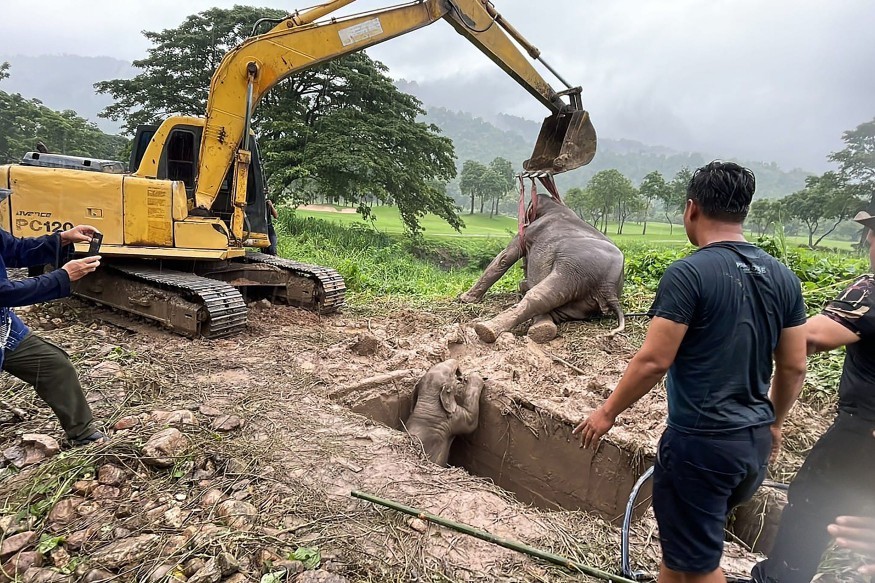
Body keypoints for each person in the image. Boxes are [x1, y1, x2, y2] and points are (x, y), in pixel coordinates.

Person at [573, 161, 808, 583]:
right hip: (750, 445)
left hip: (701, 446)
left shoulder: (689, 274)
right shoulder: (784, 278)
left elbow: (653, 361)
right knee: (682, 555)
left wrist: (606, 412)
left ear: (691, 209)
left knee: (699, 569)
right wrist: (774, 423)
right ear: (744, 212)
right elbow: (794, 364)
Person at [751, 212, 875, 583]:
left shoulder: (869, 291)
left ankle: (780, 577)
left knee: (812, 502)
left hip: (861, 432)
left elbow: (809, 339)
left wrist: (742, 324)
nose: (869, 241)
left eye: (873, 233)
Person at [1, 224, 107, 446]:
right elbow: (4, 293)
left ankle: (83, 434)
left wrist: (61, 239)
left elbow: (17, 249)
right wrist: (62, 277)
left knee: (53, 364)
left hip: (4, 329)